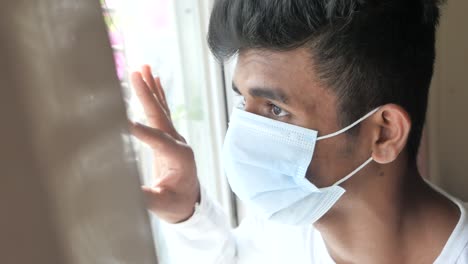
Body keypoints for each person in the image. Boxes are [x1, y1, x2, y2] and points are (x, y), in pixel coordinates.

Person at [129, 0, 468, 263]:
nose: (243, 138)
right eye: (242, 103)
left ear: (383, 133)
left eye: (275, 110)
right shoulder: (287, 224)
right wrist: (187, 212)